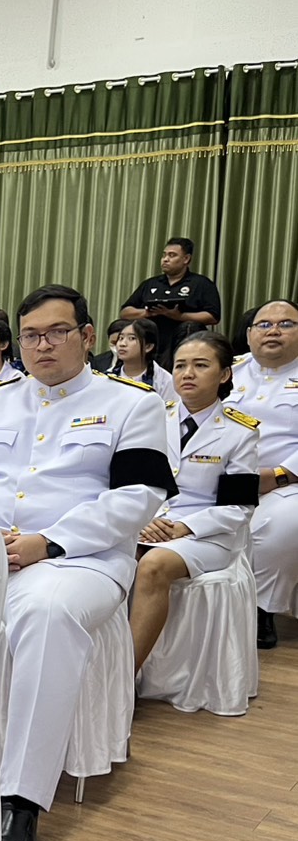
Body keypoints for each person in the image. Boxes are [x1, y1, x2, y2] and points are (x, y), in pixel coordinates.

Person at [0, 284, 173, 841]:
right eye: (30, 335)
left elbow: (139, 496)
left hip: (84, 559)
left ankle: (19, 801)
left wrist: (48, 542)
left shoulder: (131, 403)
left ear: (87, 336)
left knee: (46, 612)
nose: (42, 345)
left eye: (57, 332)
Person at [129, 332, 258, 670]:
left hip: (206, 535)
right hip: (150, 523)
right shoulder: (152, 419)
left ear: (224, 374)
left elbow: (239, 508)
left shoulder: (240, 432)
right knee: (116, 557)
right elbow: (134, 482)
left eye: (201, 365)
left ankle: (126, 676)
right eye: (180, 366)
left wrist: (184, 527)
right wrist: (146, 519)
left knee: (153, 565)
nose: (187, 374)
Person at [228, 299, 298, 648]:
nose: (273, 331)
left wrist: (280, 475)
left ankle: (260, 608)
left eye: (286, 324)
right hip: (221, 475)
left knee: (279, 524)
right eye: (264, 324)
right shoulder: (227, 370)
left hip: (287, 481)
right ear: (249, 333)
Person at [121, 237, 221, 367]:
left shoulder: (201, 283)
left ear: (186, 259)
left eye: (172, 255)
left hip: (184, 343)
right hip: (152, 345)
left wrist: (180, 316)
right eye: (164, 255)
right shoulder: (151, 283)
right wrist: (147, 313)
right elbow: (125, 312)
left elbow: (213, 316)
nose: (165, 259)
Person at [109, 317, 177, 402]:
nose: (122, 344)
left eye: (131, 338)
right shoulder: (107, 377)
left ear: (148, 347)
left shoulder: (165, 381)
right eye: (121, 338)